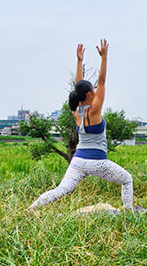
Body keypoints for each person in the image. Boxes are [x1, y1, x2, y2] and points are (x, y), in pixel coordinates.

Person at [28, 39, 137, 212]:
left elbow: (78, 86)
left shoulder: (77, 111)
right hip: (97, 161)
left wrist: (79, 61)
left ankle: (31, 209)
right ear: (89, 94)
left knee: (61, 190)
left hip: (78, 161)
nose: (96, 91)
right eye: (92, 90)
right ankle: (130, 214)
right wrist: (104, 57)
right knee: (127, 179)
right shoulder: (94, 111)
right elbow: (101, 82)